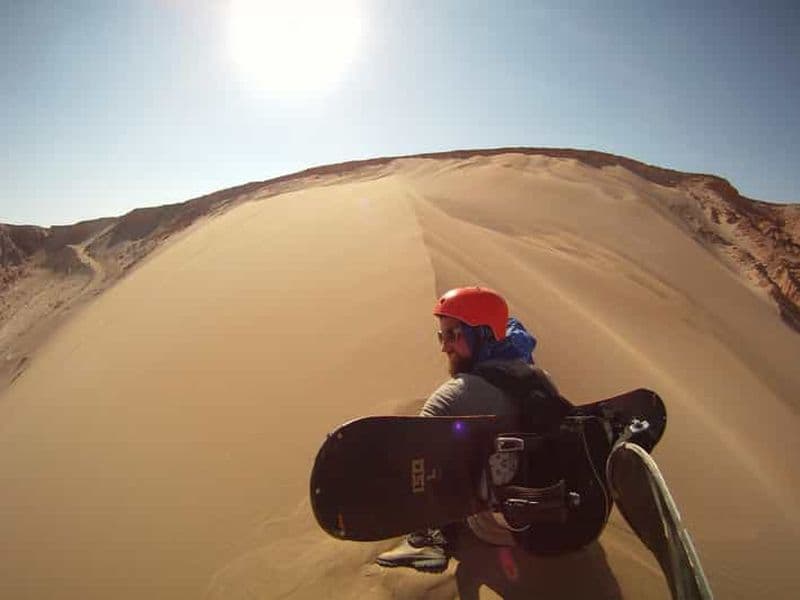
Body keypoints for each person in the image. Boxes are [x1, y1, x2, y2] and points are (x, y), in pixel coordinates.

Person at [376, 286, 567, 573]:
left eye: (453, 335)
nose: (444, 347)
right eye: (442, 336)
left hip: (496, 528)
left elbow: (413, 462)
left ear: (484, 335)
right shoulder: (541, 379)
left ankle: (426, 540)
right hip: (551, 518)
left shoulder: (453, 396)